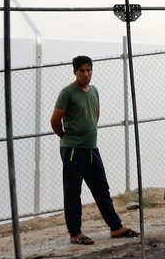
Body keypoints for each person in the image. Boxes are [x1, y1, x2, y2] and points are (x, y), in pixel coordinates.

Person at [49, 55, 138, 244]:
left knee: (101, 187)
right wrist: (65, 137)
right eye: (82, 70)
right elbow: (55, 121)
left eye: (89, 70)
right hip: (73, 149)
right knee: (73, 191)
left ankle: (115, 227)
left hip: (91, 148)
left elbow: (95, 114)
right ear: (75, 71)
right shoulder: (68, 92)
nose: (86, 74)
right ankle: (75, 233)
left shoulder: (94, 91)